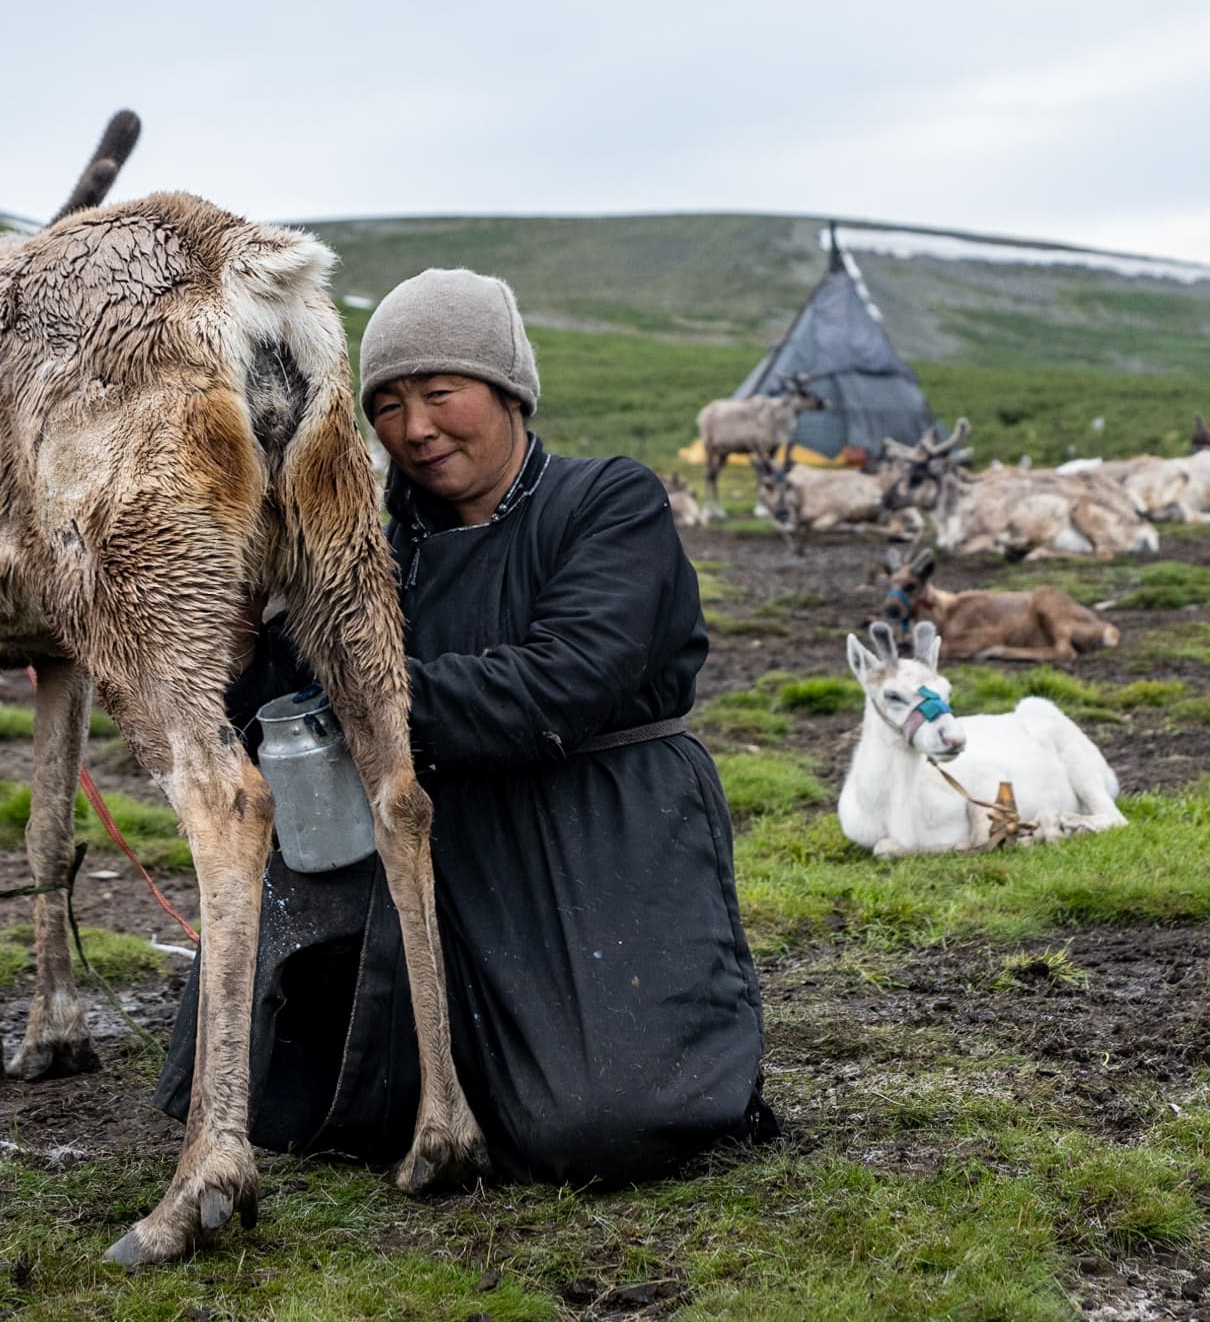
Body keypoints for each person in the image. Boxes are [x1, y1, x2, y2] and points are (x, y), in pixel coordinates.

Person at [157, 267, 775, 1185]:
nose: (415, 429)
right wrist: (240, 640)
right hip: (434, 838)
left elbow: (564, 682)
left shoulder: (608, 503)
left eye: (441, 393)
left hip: (596, 826)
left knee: (602, 1124)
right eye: (389, 405)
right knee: (301, 1098)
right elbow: (278, 713)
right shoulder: (372, 543)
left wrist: (359, 690)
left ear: (508, 390)